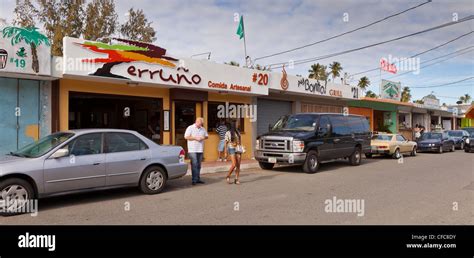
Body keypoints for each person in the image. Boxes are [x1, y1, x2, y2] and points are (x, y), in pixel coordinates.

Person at [184, 117, 208, 185]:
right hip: (192, 149)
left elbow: (206, 136)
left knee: (199, 165)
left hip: (200, 149)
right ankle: (194, 180)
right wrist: (195, 138)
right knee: (194, 164)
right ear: (196, 122)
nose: (201, 125)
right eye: (200, 123)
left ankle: (198, 178)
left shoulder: (203, 129)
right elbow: (186, 137)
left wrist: (203, 137)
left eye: (201, 124)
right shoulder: (190, 128)